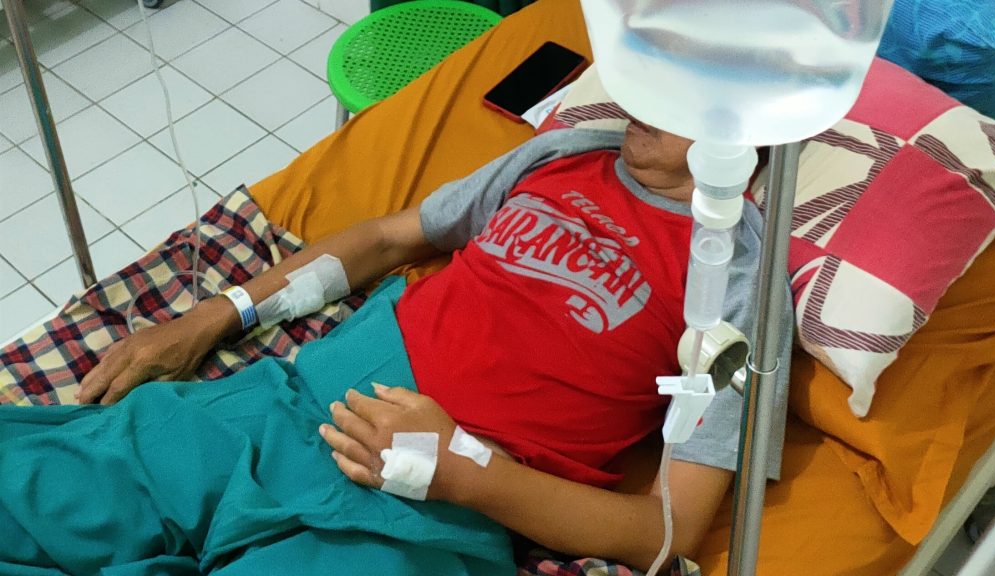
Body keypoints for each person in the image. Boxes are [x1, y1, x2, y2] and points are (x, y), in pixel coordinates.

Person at [0, 122, 790, 575]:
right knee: (27, 487)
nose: (645, 100)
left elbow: (670, 528)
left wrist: (466, 474)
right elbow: (387, 239)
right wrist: (213, 316)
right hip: (279, 409)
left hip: (414, 520)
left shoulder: (740, 278)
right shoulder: (568, 152)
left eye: (683, 88)